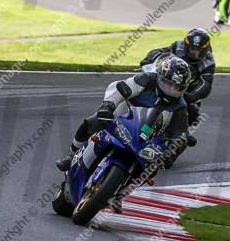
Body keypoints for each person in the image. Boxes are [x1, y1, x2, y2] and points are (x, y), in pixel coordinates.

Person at [55, 56, 192, 173]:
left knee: (152, 170)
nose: (171, 90)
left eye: (177, 88)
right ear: (161, 77)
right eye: (169, 84)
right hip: (126, 114)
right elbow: (122, 87)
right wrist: (108, 105)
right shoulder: (147, 79)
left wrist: (172, 151)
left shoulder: (180, 106)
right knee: (94, 121)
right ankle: (71, 154)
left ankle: (118, 194)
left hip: (148, 135)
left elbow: (180, 133)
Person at [139, 28, 215, 140]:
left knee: (192, 109)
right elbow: (160, 52)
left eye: (198, 50)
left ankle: (180, 135)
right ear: (185, 45)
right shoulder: (177, 46)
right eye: (191, 48)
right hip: (166, 79)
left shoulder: (208, 61)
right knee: (139, 83)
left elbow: (206, 84)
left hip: (186, 89)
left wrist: (193, 95)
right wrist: (149, 60)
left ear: (205, 50)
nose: (194, 52)